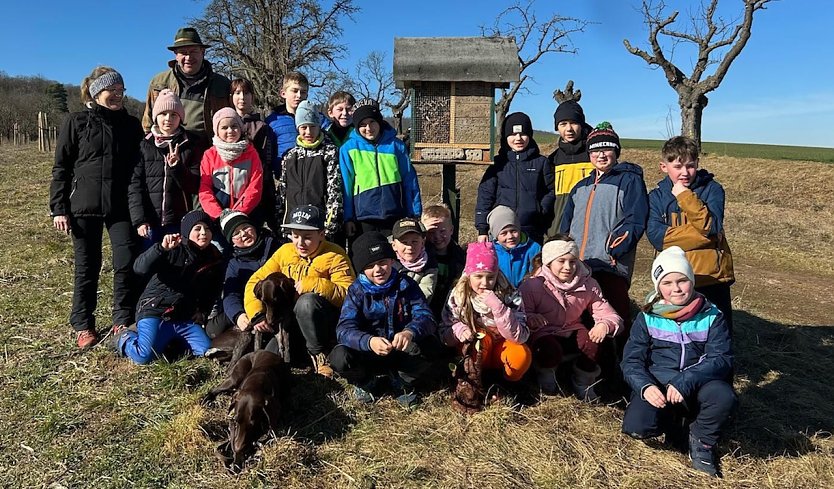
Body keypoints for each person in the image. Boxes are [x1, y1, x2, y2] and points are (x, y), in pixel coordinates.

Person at [49, 66, 143, 349]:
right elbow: (61, 167)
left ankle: (123, 319)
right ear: (95, 92)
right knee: (87, 266)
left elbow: (140, 165)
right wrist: (58, 207)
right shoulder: (76, 122)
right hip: (83, 206)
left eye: (120, 91)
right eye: (110, 91)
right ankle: (83, 325)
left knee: (126, 262)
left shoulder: (130, 124)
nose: (116, 96)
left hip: (121, 205)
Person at [621, 246, 736, 477]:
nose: (676, 288)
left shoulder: (713, 315)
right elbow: (631, 361)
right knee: (637, 427)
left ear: (691, 280)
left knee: (724, 397)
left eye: (682, 280)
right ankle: (674, 423)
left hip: (699, 383)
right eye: (667, 283)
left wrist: (685, 381)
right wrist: (646, 387)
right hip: (659, 384)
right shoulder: (647, 317)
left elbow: (721, 358)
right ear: (658, 286)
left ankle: (702, 442)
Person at [560, 122, 648, 341]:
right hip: (579, 265)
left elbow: (635, 220)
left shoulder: (629, 181)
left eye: (607, 149)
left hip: (611, 266)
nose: (601, 154)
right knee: (582, 320)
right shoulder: (580, 187)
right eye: (596, 150)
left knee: (615, 319)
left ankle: (622, 367)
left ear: (616, 152)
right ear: (589, 153)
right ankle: (587, 370)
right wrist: (563, 251)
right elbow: (566, 224)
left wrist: (613, 249)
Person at [244, 205, 355, 377]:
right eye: (295, 236)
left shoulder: (335, 255)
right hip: (292, 323)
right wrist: (256, 313)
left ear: (321, 234)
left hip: (324, 323)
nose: (300, 243)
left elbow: (349, 295)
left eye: (307, 237)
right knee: (270, 356)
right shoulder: (284, 252)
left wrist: (314, 284)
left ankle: (320, 354)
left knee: (307, 302)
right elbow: (255, 282)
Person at [330, 231, 437, 407]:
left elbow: (425, 316)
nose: (378, 269)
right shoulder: (356, 291)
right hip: (368, 353)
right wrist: (368, 341)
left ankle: (402, 380)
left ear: (391, 261)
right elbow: (344, 329)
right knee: (339, 357)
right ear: (362, 268)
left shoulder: (406, 284)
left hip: (400, 350)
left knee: (431, 345)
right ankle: (366, 381)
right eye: (370, 265)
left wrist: (409, 332)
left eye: (382, 262)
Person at [113, 210, 225, 364]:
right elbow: (139, 268)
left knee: (205, 350)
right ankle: (124, 338)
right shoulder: (174, 248)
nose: (203, 233)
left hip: (183, 317)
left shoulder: (214, 259)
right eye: (197, 229)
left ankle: (165, 341)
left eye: (207, 228)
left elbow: (212, 290)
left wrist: (203, 312)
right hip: (156, 311)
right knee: (143, 356)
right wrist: (161, 248)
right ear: (186, 232)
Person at [647, 136, 735, 333]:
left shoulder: (713, 189)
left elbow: (712, 227)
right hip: (674, 279)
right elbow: (657, 238)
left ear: (697, 164)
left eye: (690, 166)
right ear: (664, 166)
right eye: (678, 167)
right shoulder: (656, 197)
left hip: (712, 277)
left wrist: (684, 196)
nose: (685, 173)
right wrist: (702, 235)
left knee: (717, 333)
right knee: (679, 331)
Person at [518, 235, 623, 399]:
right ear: (549, 261)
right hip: (544, 333)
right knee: (548, 348)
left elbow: (607, 312)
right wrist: (532, 319)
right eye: (561, 261)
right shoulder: (533, 285)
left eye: (572, 261)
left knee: (592, 342)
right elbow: (522, 313)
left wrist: (605, 324)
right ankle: (547, 380)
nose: (568, 267)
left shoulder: (588, 284)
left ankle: (583, 381)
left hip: (572, 329)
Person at [440, 242, 531, 385]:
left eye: (490, 277)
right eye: (478, 276)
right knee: (479, 339)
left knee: (520, 355)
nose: (485, 283)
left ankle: (506, 384)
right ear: (469, 274)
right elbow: (444, 332)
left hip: (503, 345)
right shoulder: (458, 295)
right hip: (479, 349)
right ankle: (476, 382)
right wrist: (460, 329)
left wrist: (499, 308)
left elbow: (520, 336)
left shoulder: (510, 293)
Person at [130, 89, 206, 250]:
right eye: (163, 114)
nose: (168, 119)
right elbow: (135, 186)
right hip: (151, 222)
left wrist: (177, 167)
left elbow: (195, 185)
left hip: (180, 221)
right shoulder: (144, 145)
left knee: (178, 264)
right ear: (156, 116)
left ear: (181, 118)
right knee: (151, 264)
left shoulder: (191, 145)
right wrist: (140, 220)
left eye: (173, 115)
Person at [339, 98, 422, 239]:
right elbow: (346, 186)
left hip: (394, 214)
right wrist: (348, 218)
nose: (368, 128)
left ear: (379, 122)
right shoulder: (348, 149)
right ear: (356, 127)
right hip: (363, 216)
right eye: (363, 125)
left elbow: (410, 181)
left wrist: (414, 212)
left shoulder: (396, 146)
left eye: (372, 122)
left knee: (392, 257)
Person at [475, 112, 555, 244]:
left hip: (532, 231)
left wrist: (541, 212)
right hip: (502, 232)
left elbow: (551, 191)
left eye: (523, 134)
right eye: (513, 134)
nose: (518, 138)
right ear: (505, 136)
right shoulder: (497, 165)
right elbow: (485, 196)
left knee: (531, 264)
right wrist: (482, 229)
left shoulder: (541, 162)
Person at [205, 210, 282, 338]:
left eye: (246, 227)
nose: (244, 234)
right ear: (232, 241)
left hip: (275, 301)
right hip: (247, 304)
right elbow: (231, 293)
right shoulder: (233, 263)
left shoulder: (275, 246)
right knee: (213, 330)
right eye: (236, 233)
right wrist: (238, 315)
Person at [142, 27, 231, 139]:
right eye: (183, 52)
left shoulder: (222, 84)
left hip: (210, 151)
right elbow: (148, 123)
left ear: (202, 52)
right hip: (169, 150)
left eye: (193, 51)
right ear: (176, 55)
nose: (188, 57)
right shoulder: (158, 83)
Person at [276, 100, 343, 240]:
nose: (308, 132)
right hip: (293, 226)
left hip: (319, 226)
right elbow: (282, 193)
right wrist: (281, 223)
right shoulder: (290, 156)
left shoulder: (329, 152)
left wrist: (329, 226)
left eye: (312, 127)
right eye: (303, 127)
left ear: (319, 126)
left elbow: (335, 192)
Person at [198, 108, 263, 222]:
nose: (230, 131)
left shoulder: (251, 153)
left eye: (234, 126)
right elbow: (205, 189)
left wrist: (238, 215)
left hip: (245, 217)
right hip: (217, 219)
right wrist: (219, 216)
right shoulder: (210, 155)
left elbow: (255, 187)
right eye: (224, 127)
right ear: (217, 131)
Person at [230, 78, 279, 232]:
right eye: (237, 93)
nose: (242, 97)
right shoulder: (224, 124)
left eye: (246, 93)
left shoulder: (261, 127)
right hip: (231, 187)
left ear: (252, 96)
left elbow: (267, 160)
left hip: (257, 187)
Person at [546, 100, 596, 236]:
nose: (569, 129)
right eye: (563, 124)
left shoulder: (595, 156)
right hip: (559, 231)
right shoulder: (552, 160)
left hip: (590, 228)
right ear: (557, 128)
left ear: (582, 124)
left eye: (574, 123)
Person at [265, 72, 330, 172]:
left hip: (314, 176)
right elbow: (268, 154)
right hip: (284, 178)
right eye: (295, 91)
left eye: (303, 92)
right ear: (283, 93)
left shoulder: (319, 119)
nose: (299, 95)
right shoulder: (273, 121)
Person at [421, 204, 466, 317]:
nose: (437, 236)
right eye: (431, 232)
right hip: (425, 311)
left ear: (451, 230)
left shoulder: (461, 257)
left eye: (442, 231)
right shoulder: (419, 258)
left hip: (451, 312)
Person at [488, 206, 541, 289]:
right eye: (504, 233)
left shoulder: (533, 248)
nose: (510, 236)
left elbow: (537, 274)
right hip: (500, 293)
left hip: (527, 292)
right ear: (496, 235)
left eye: (514, 231)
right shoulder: (490, 251)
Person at [390, 217, 438, 302]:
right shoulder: (388, 263)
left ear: (422, 243)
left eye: (414, 242)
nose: (410, 247)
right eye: (404, 242)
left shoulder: (429, 263)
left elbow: (426, 293)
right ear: (394, 245)